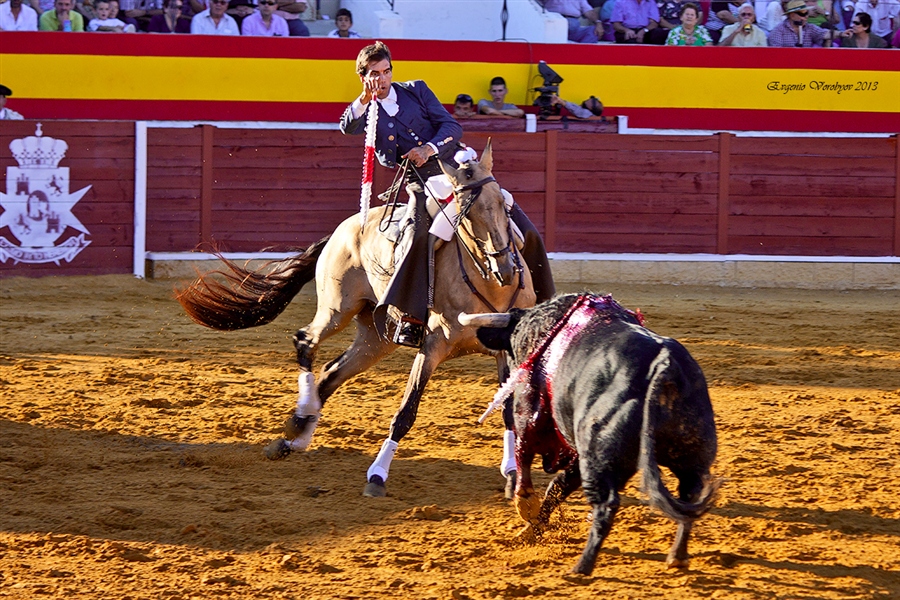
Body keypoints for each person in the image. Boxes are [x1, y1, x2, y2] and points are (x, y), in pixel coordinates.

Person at [339, 42, 555, 347]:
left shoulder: (416, 90)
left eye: (387, 71)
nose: (383, 78)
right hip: (420, 182)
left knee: (514, 217)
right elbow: (348, 127)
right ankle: (412, 317)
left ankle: (545, 302)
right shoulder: (368, 109)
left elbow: (451, 126)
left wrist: (429, 148)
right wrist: (364, 98)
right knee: (417, 237)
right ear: (364, 77)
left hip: (459, 168)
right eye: (375, 73)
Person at [768, 0, 834, 45]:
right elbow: (776, 53)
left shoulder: (810, 28)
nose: (806, 17)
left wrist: (841, 33)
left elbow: (825, 34)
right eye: (802, 14)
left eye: (807, 13)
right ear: (792, 15)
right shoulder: (779, 30)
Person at [541, 0, 605, 42]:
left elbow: (588, 11)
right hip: (553, 22)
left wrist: (598, 23)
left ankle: (581, 54)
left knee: (593, 31)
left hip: (573, 23)